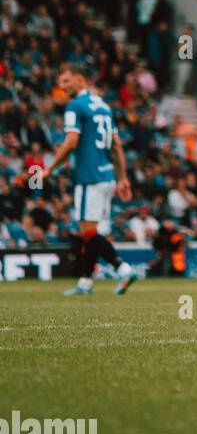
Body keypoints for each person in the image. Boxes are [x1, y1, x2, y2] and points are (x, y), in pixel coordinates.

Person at [40, 64, 137, 296]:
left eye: (66, 81)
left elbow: (72, 141)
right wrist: (123, 178)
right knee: (91, 232)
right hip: (107, 177)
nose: (62, 87)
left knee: (89, 233)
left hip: (89, 177)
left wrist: (50, 168)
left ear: (80, 80)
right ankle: (85, 282)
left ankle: (122, 268)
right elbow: (117, 145)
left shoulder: (75, 106)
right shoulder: (103, 107)